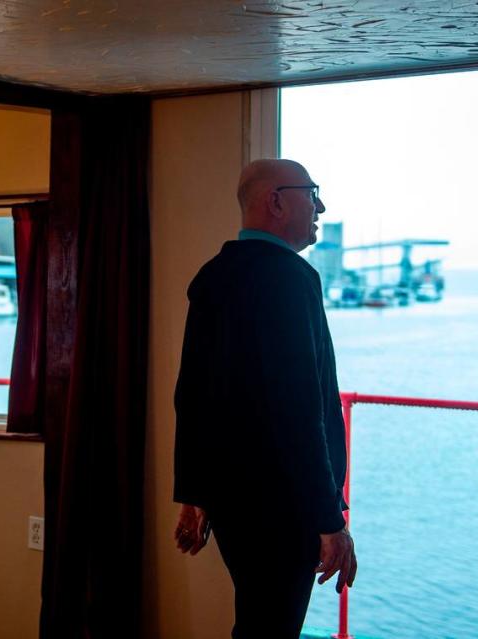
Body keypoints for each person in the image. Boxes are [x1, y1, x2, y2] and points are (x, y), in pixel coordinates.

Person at [173, 159, 357, 639]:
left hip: (232, 506)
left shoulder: (213, 276)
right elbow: (300, 410)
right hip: (284, 506)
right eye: (311, 192)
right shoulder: (293, 280)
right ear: (276, 201)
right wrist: (327, 518)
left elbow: (192, 393)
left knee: (256, 623)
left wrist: (194, 493)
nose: (320, 205)